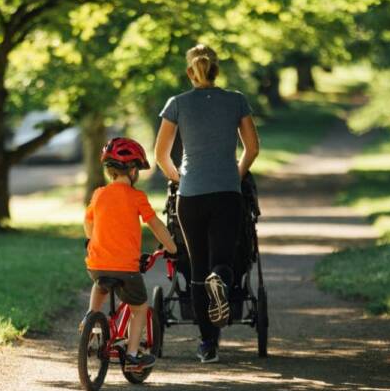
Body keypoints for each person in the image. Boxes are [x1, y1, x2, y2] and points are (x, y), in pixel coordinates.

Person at [154, 44, 260, 363]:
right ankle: (221, 280)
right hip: (227, 192)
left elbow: (160, 154)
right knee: (223, 259)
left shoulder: (177, 104)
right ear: (217, 70)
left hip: (191, 195)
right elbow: (252, 148)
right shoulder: (236, 100)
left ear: (191, 71)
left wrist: (178, 179)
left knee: (197, 269)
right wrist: (236, 174)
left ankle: (207, 344)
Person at [84, 137, 178, 372]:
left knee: (100, 284)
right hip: (125, 268)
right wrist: (173, 247)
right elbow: (155, 224)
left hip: (96, 264)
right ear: (134, 170)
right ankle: (133, 356)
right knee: (140, 308)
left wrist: (92, 240)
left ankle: (90, 320)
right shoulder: (137, 197)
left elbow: (88, 222)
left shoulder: (98, 194)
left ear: (110, 171)